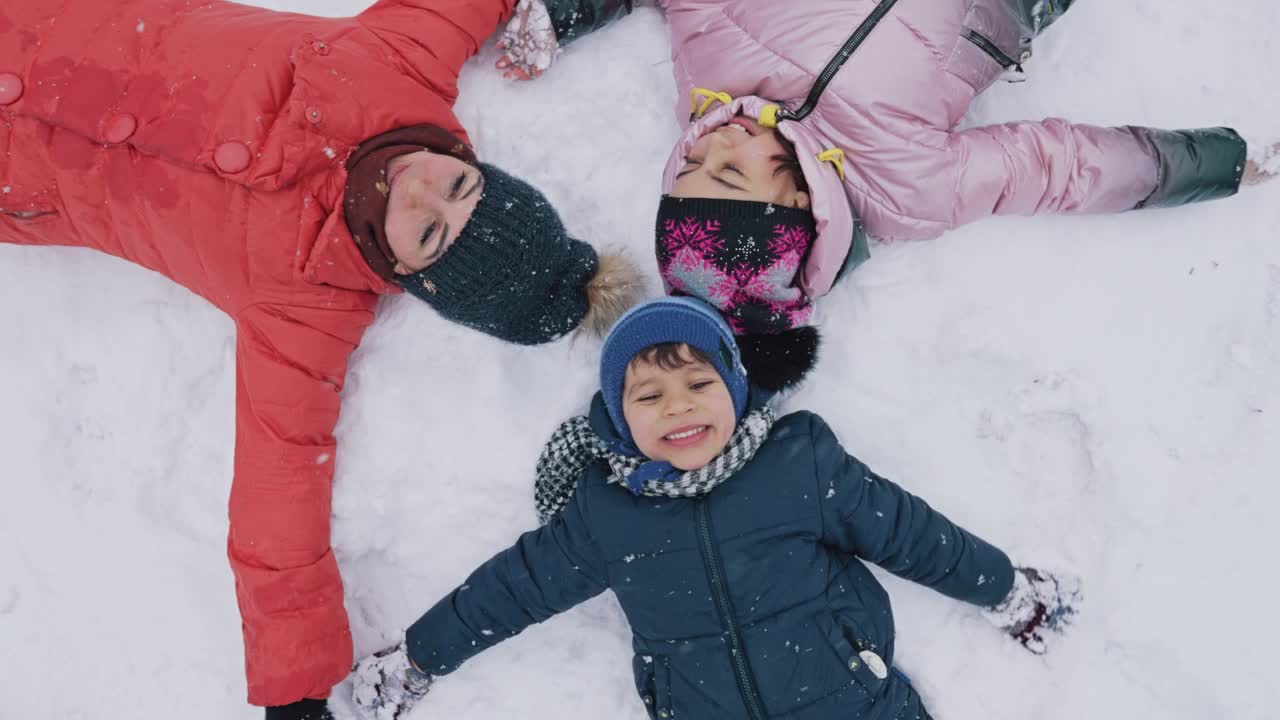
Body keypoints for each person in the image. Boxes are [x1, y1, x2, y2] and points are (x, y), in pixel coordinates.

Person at [0, 1, 642, 717]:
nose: (422, 187)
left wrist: (297, 685)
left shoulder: (309, 302)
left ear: (413, 275)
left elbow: (279, 501)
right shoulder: (397, 62)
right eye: (461, 186)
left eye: (429, 232)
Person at [349, 296, 1081, 720]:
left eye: (698, 385)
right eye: (649, 396)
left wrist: (1005, 588)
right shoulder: (605, 514)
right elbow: (512, 590)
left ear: (733, 390)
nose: (679, 409)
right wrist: (416, 659)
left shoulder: (798, 465)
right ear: (617, 419)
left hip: (850, 701)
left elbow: (912, 535)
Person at [498, 0, 1278, 389]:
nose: (710, 141)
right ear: (797, 209)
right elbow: (1066, 167)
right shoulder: (908, 189)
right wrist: (1214, 164)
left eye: (688, 168)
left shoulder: (710, 85)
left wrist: (565, 12)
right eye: (728, 172)